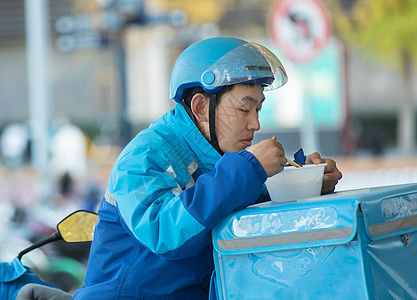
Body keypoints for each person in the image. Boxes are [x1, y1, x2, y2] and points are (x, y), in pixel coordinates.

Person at [73, 36, 342, 300]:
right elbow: (163, 233)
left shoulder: (224, 163)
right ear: (201, 107)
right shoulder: (144, 155)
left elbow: (253, 219)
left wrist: (306, 182)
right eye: (244, 110)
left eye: (258, 110)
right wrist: (249, 170)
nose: (255, 125)